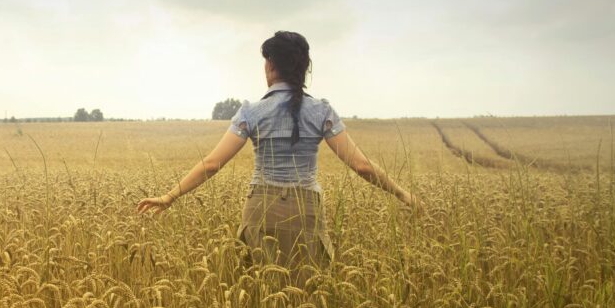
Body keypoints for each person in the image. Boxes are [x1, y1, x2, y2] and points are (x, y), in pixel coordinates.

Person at [137, 30, 420, 277]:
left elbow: (212, 163)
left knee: (260, 291)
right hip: (306, 207)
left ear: (270, 66)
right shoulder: (322, 111)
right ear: (304, 68)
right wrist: (402, 194)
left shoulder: (251, 111)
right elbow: (362, 166)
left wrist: (169, 196)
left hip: (262, 206)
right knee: (308, 291)